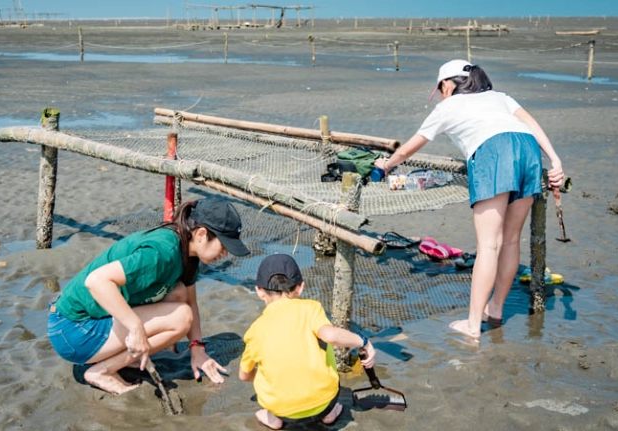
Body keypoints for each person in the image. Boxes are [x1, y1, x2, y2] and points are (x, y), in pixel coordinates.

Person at [375, 59, 565, 339]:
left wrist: (387, 165)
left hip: (493, 151)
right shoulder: (499, 97)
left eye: (440, 90)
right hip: (528, 149)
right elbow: (531, 124)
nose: (440, 95)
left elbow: (411, 147)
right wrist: (556, 160)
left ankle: (473, 325)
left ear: (447, 85)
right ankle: (496, 309)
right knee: (511, 239)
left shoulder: (448, 106)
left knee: (488, 245)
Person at [47, 197, 250, 395]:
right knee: (181, 318)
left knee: (179, 293)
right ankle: (102, 371)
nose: (225, 254)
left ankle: (125, 356)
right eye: (223, 246)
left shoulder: (188, 252)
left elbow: (190, 300)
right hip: (71, 330)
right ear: (201, 234)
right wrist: (135, 327)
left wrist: (197, 350)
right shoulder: (162, 252)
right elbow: (97, 281)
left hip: (90, 321)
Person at [239, 254, 377, 429]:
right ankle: (329, 414)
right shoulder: (311, 308)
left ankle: (274, 419)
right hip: (323, 402)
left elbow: (244, 376)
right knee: (320, 350)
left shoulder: (255, 330)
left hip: (282, 408)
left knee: (268, 384)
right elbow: (331, 336)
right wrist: (363, 341)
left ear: (259, 291)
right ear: (300, 287)